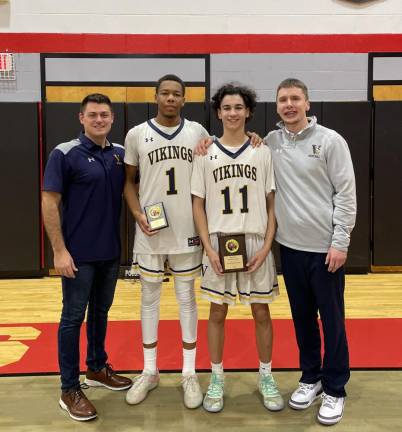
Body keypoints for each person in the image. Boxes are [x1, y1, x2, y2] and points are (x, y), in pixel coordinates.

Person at [266, 78, 356, 425]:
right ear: (276, 106)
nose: (289, 105)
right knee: (302, 319)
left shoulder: (331, 141)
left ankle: (335, 388)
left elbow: (346, 195)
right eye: (283, 100)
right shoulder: (272, 142)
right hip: (290, 249)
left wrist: (340, 242)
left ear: (307, 103)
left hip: (325, 251)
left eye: (295, 99)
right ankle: (311, 377)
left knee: (332, 321)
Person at [191, 83, 283, 413]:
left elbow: (273, 204)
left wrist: (267, 246)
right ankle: (217, 378)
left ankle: (266, 376)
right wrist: (209, 249)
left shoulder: (262, 151)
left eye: (238, 107)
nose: (232, 113)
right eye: (226, 108)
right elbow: (197, 205)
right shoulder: (205, 153)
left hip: (256, 241)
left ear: (248, 112)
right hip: (219, 241)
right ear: (218, 113)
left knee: (261, 311)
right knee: (217, 312)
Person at [42, 93, 132, 422]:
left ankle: (96, 368)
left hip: (110, 254)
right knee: (72, 318)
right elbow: (49, 202)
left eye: (104, 115)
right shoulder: (64, 154)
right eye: (92, 114)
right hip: (77, 256)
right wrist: (59, 250)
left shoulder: (121, 154)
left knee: (101, 313)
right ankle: (69, 387)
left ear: (111, 119)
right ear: (81, 118)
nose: (99, 119)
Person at [123, 74, 209, 409]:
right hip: (151, 229)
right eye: (165, 93)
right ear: (156, 96)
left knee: (187, 298)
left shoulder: (198, 132)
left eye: (177, 94)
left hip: (187, 227)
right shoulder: (137, 134)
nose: (170, 99)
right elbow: (128, 182)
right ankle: (150, 370)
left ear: (184, 100)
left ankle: (189, 373)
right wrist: (136, 214)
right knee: (149, 298)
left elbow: (221, 158)